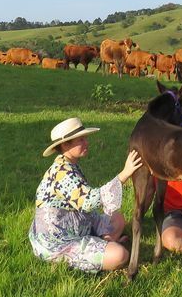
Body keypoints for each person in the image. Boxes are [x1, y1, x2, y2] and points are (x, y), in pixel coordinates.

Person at [29, 116, 145, 273]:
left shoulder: (69, 165)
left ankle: (104, 242)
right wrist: (123, 175)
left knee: (118, 218)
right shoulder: (62, 173)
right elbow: (89, 201)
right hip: (60, 241)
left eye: (85, 138)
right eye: (81, 140)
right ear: (65, 144)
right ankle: (83, 254)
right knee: (120, 255)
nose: (87, 143)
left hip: (79, 223)